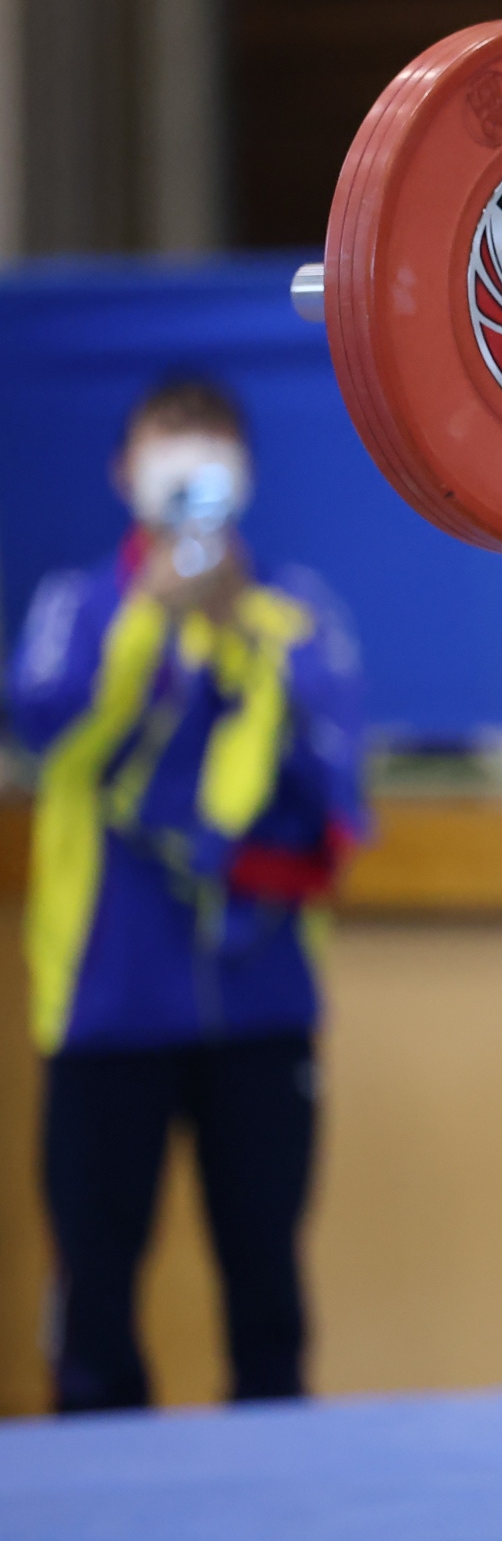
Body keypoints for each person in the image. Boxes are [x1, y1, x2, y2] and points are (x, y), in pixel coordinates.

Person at [10, 378, 367, 1412]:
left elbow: (332, 787)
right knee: (95, 1300)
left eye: (210, 442)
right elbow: (46, 732)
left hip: (262, 1003)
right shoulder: (77, 605)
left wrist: (243, 636)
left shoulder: (293, 612)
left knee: (268, 1297)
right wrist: (150, 620)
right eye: (168, 442)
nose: (190, 462)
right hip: (105, 1002)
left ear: (244, 473)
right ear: (124, 470)